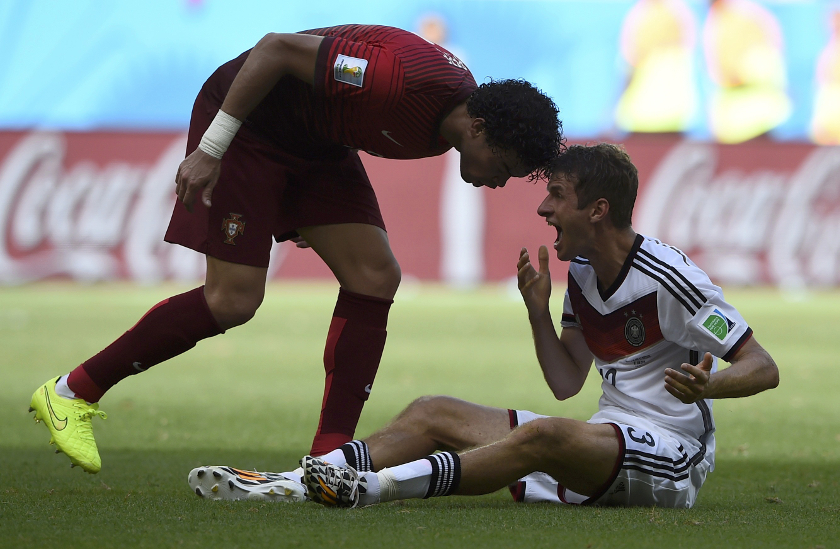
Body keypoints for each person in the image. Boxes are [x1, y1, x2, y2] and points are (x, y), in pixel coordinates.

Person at [28, 24, 564, 474]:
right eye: (504, 168)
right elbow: (276, 50)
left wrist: (306, 209)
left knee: (375, 276)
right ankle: (72, 392)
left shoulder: (446, 122)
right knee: (233, 300)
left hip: (316, 145)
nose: (498, 183)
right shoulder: (393, 81)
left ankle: (330, 459)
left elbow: (349, 117)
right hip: (253, 127)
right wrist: (213, 148)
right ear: (479, 129)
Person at [187, 143, 779, 508]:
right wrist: (537, 312)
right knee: (431, 411)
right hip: (607, 438)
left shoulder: (668, 276)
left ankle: (373, 489)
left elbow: (763, 367)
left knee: (542, 438)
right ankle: (293, 483)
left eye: (557, 196)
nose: (544, 209)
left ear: (597, 210)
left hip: (672, 456)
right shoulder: (581, 274)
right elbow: (566, 382)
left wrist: (712, 386)